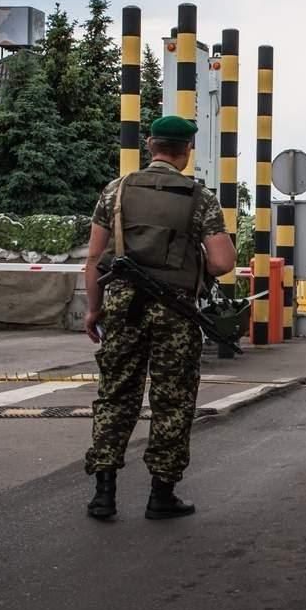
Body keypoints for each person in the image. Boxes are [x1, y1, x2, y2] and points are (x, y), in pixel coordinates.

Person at [82, 115, 236, 521]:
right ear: (186, 152)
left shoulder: (116, 191)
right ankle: (160, 495)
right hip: (175, 312)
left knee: (115, 395)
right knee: (173, 401)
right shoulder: (198, 198)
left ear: (150, 146)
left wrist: (94, 309)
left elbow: (95, 259)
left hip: (121, 307)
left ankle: (103, 494)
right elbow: (222, 262)